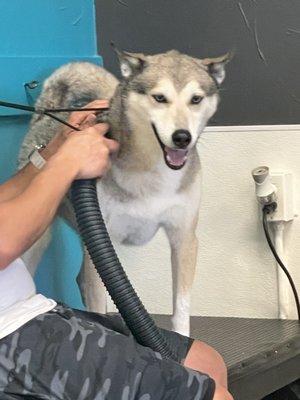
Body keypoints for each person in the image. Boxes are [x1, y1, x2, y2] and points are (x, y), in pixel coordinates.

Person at [0, 100, 233, 400]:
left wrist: (54, 151)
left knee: (205, 361)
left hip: (28, 310)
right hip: (10, 335)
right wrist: (69, 162)